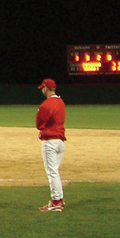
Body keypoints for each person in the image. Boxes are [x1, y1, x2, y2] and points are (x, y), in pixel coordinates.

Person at [36, 78, 66, 212]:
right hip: (60, 141)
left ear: (46, 88)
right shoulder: (61, 102)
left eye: (43, 88)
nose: (42, 90)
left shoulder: (46, 105)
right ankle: (59, 199)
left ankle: (56, 202)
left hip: (50, 142)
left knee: (52, 172)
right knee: (55, 172)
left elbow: (39, 125)